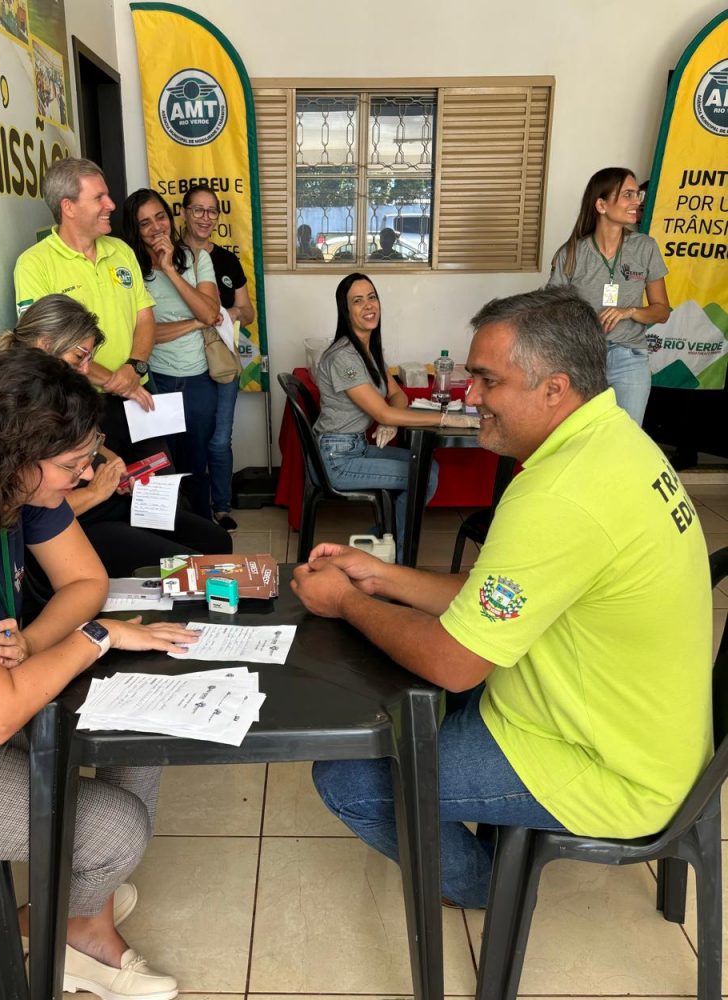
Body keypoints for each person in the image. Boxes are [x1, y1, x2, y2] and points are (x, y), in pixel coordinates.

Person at [292, 286, 711, 908]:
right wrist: (381, 577)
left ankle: (491, 887)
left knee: (349, 778)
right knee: (404, 699)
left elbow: (454, 661)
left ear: (554, 388)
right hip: (630, 724)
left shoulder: (560, 493)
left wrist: (347, 603)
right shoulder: (613, 438)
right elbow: (498, 593)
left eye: (488, 381)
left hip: (606, 762)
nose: (472, 398)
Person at [0, 347, 201, 1000]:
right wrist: (96, 638)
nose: (86, 475)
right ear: (12, 453)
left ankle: (78, 912)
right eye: (72, 465)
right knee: (114, 832)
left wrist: (30, 642)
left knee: (142, 730)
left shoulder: (13, 488)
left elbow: (86, 580)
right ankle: (79, 929)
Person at [0, 294, 231, 613]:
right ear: (44, 345)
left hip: (102, 502)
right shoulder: (15, 406)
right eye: (79, 358)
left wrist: (110, 459)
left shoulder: (60, 392)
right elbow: (29, 513)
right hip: (71, 522)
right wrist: (96, 491)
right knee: (194, 569)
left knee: (216, 541)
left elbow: (86, 441)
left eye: (89, 359)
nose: (86, 370)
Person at [13, 157, 162, 465]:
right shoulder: (33, 264)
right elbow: (48, 347)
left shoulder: (121, 250)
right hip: (79, 406)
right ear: (68, 207)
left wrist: (134, 369)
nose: (111, 205)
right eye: (99, 197)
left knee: (160, 483)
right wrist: (113, 381)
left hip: (138, 393)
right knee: (109, 487)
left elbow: (145, 316)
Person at [313, 273, 460, 558]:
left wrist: (388, 420)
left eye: (372, 297)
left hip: (356, 447)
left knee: (429, 467)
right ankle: (395, 557)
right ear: (346, 310)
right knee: (423, 477)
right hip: (338, 458)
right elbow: (383, 409)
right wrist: (444, 419)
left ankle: (379, 545)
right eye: (358, 301)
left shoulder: (367, 350)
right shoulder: (343, 356)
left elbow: (398, 395)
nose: (368, 305)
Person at [121, 188, 227, 521]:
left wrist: (170, 269)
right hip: (155, 381)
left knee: (197, 462)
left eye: (160, 217)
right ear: (135, 230)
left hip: (198, 381)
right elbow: (141, 336)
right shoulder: (130, 271)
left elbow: (210, 313)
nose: (156, 228)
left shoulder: (196, 258)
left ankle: (202, 529)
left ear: (170, 217)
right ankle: (171, 531)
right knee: (161, 464)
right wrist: (193, 322)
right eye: (145, 223)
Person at [548, 166, 670, 425]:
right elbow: (552, 313)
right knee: (583, 436)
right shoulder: (571, 253)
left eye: (638, 195)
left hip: (630, 360)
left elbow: (661, 311)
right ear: (601, 205)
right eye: (628, 195)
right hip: (583, 360)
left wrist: (631, 311)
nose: (637, 202)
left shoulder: (645, 248)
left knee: (626, 438)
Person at [181, 184, 257, 532]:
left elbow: (248, 312)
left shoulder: (226, 260)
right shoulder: (171, 259)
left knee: (218, 438)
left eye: (211, 211)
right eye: (198, 210)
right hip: (182, 362)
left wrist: (223, 314)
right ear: (184, 213)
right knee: (190, 440)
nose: (205, 218)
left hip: (222, 360)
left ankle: (221, 507)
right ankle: (193, 509)